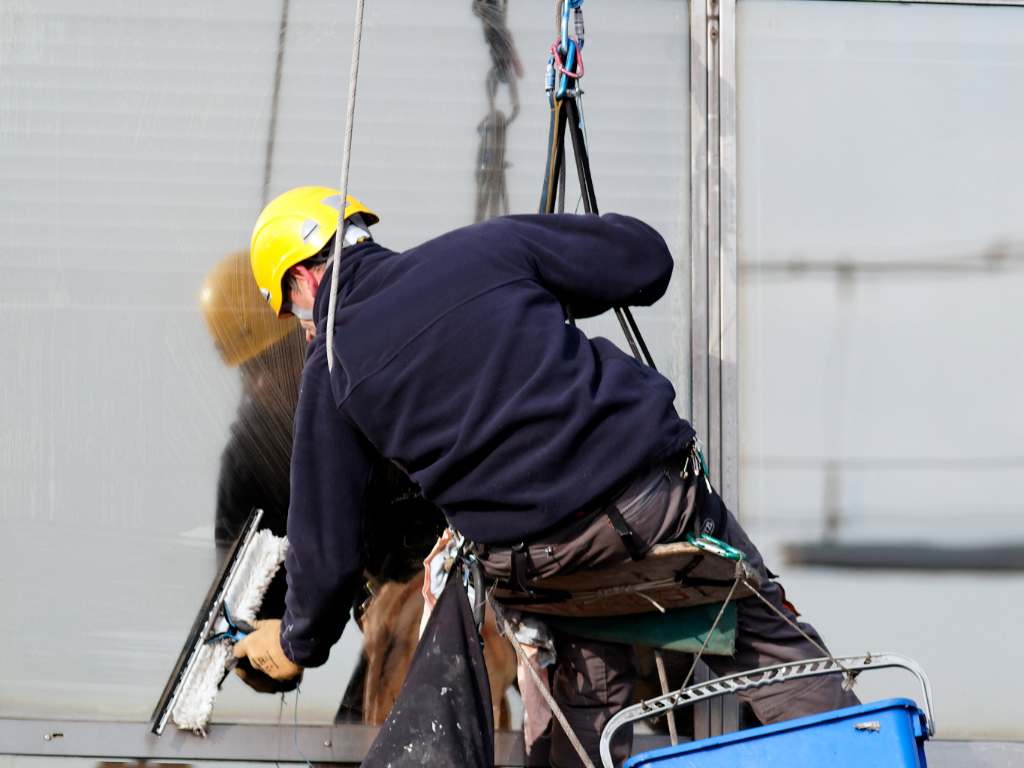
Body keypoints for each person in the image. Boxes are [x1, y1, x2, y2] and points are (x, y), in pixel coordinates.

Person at [233, 186, 859, 768]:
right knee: (772, 648)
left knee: (588, 699)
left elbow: (327, 540)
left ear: (302, 278)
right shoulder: (484, 249)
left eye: (291, 311)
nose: (304, 329)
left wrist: (297, 643)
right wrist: (535, 287)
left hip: (537, 564)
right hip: (649, 505)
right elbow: (645, 260)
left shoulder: (333, 360)